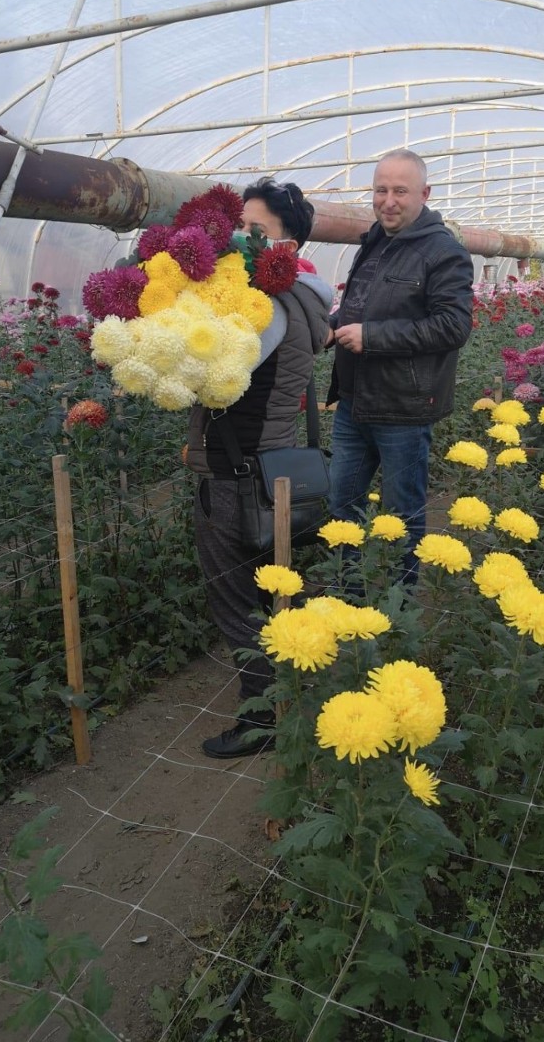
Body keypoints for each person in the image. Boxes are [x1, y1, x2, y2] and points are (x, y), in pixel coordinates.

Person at [185, 179, 333, 759]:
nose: (239, 241)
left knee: (234, 596)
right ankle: (285, 696)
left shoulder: (265, 307)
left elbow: (217, 372)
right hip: (272, 467)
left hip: (236, 473)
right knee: (269, 591)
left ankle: (259, 720)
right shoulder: (304, 299)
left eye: (256, 231)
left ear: (288, 244)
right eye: (236, 228)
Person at [326, 149, 474, 581]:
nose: (388, 200)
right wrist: (329, 328)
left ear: (424, 194)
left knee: (402, 514)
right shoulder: (374, 243)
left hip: (404, 410)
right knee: (342, 506)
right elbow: (359, 308)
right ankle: (351, 593)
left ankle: (397, 608)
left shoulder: (443, 252)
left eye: (400, 191)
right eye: (380, 189)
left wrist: (372, 338)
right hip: (353, 405)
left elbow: (453, 326)